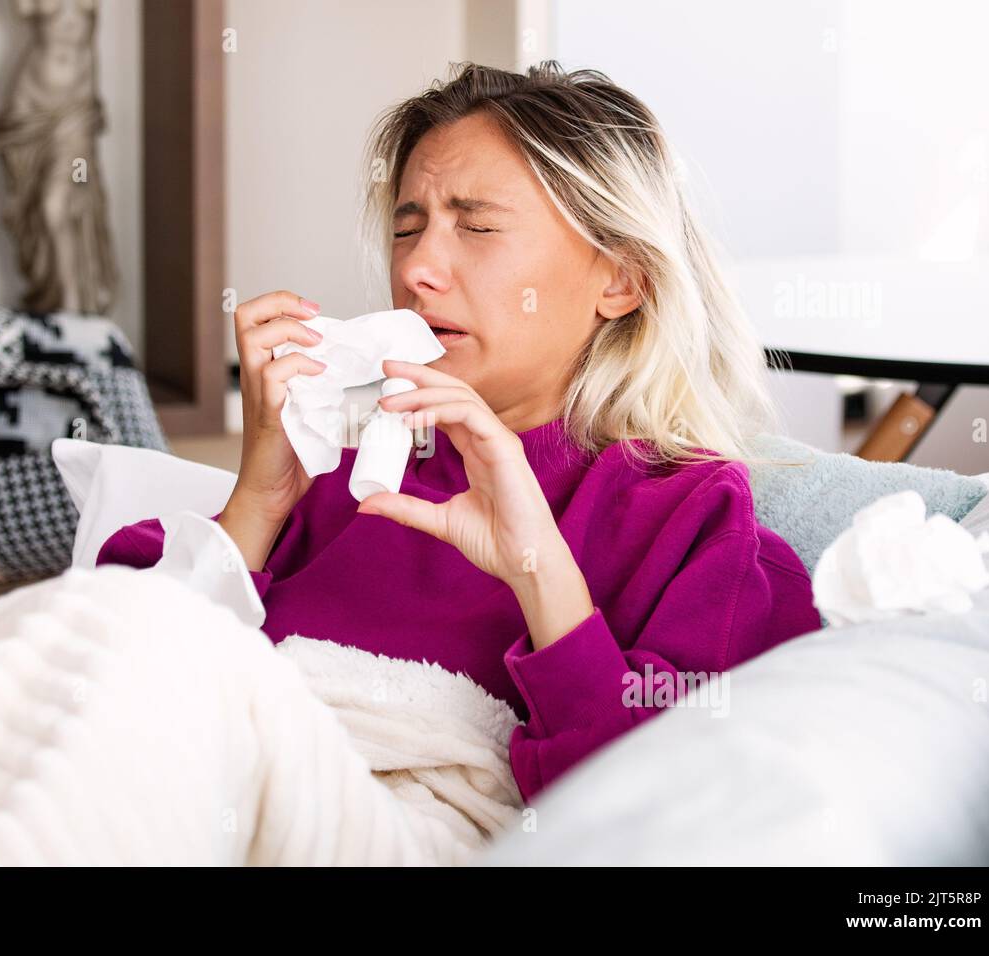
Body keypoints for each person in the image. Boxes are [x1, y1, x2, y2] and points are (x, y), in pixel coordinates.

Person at [99, 61, 821, 804]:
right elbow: (102, 679)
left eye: (476, 227)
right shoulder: (337, 475)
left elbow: (649, 817)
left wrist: (538, 570)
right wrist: (257, 499)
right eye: (407, 228)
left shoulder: (690, 518)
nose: (417, 268)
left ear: (621, 280)